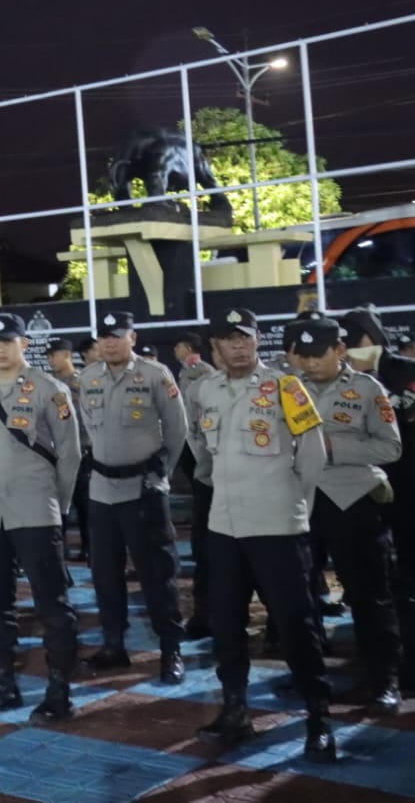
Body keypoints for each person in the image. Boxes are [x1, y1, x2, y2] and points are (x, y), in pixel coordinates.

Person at [186, 307, 335, 761]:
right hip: (225, 526)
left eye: (246, 338)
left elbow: (312, 455)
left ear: (257, 341)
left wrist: (295, 508)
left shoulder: (286, 387)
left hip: (277, 526)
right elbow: (199, 447)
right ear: (214, 347)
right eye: (229, 339)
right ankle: (235, 710)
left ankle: (318, 717)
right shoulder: (203, 390)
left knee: (295, 625)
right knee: (226, 624)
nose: (239, 346)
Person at [0, 313, 83, 723]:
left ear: (24, 344)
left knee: (52, 604)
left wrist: (55, 506)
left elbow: (71, 454)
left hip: (35, 508)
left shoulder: (50, 389)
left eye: (7, 342)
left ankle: (59, 691)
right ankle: (3, 684)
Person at [288, 312, 402, 714]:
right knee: (299, 599)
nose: (310, 362)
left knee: (370, 596)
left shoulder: (368, 390)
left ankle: (384, 678)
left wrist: (332, 450)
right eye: (302, 355)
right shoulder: (287, 390)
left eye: (318, 353)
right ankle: (309, 676)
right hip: (302, 503)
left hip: (354, 502)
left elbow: (390, 449)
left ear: (339, 350)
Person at [76, 312, 190, 684]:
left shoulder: (157, 375)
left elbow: (177, 428)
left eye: (117, 336)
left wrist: (161, 475)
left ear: (133, 338)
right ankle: (113, 645)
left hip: (143, 489)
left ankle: (170, 649)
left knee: (158, 574)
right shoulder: (89, 376)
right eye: (104, 337)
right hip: (101, 491)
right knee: (105, 574)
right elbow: (88, 428)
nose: (109, 343)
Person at [341, 306, 415, 691]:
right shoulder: (343, 382)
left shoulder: (406, 373)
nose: (352, 349)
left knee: (409, 581)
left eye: (358, 340)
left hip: (409, 494)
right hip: (363, 495)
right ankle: (378, 663)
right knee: (369, 586)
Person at [173, 331, 220, 639]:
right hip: (206, 472)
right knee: (204, 548)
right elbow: (188, 425)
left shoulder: (203, 374)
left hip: (237, 479)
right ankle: (206, 613)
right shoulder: (195, 381)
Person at [48, 339, 92, 564]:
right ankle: (59, 550)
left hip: (83, 449)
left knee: (84, 503)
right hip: (56, 453)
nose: (50, 360)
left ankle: (89, 547)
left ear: (65, 355)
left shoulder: (82, 381)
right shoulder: (48, 383)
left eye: (53, 355)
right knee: (57, 503)